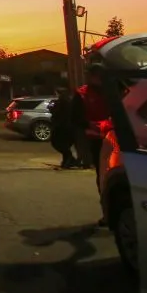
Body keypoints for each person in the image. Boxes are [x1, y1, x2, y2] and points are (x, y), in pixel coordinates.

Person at [70, 63, 112, 225]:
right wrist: (90, 125)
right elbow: (75, 118)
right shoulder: (82, 94)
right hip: (97, 141)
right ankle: (108, 214)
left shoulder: (114, 91)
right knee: (103, 177)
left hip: (117, 140)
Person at [49, 89, 81, 169]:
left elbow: (57, 112)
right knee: (63, 144)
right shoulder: (67, 101)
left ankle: (69, 159)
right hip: (67, 126)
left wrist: (52, 109)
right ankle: (67, 160)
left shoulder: (62, 102)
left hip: (62, 127)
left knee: (58, 143)